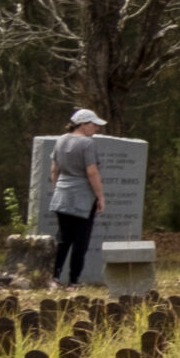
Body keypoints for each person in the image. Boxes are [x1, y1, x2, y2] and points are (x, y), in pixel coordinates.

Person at [48, 108, 108, 286]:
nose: (96, 129)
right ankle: (73, 281)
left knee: (63, 239)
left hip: (62, 195)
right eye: (93, 125)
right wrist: (100, 196)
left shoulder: (60, 140)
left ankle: (55, 278)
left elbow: (54, 169)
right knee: (81, 241)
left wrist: (58, 187)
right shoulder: (87, 144)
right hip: (82, 196)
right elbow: (92, 172)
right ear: (82, 124)